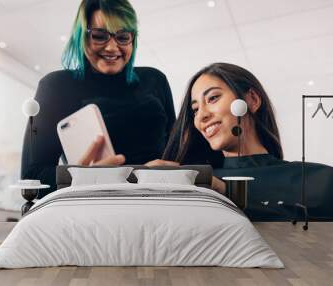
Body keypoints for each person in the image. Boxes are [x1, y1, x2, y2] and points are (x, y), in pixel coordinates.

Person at [21, 0, 176, 198]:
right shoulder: (56, 86)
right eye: (100, 36)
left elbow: (176, 152)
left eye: (123, 37)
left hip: (158, 199)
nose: (112, 47)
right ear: (81, 37)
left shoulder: (155, 79)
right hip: (93, 203)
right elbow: (31, 178)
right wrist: (85, 177)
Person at [161, 62, 333, 220]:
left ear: (252, 100)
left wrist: (224, 193)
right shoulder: (192, 185)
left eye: (213, 98)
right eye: (195, 110)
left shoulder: (319, 180)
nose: (202, 116)